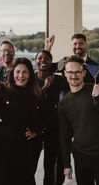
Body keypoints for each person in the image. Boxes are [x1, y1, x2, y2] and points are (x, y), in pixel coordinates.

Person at [59, 56, 99, 185]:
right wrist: (66, 164)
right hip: (80, 156)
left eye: (77, 72)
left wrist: (98, 99)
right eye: (70, 72)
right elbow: (64, 135)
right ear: (65, 73)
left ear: (84, 73)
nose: (74, 76)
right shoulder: (64, 102)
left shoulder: (97, 89)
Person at [0, 57, 42, 185]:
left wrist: (36, 132)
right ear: (12, 73)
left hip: (22, 147)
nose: (20, 76)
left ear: (30, 74)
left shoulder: (34, 94)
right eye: (17, 72)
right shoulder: (2, 88)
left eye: (24, 72)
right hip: (1, 145)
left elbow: (40, 119)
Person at [35, 50, 68, 185]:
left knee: (53, 163)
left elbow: (76, 86)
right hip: (35, 127)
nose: (43, 61)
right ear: (35, 61)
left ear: (51, 62)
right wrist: (44, 88)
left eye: (47, 58)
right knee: (32, 161)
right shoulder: (30, 79)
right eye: (40, 58)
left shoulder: (59, 80)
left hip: (54, 126)